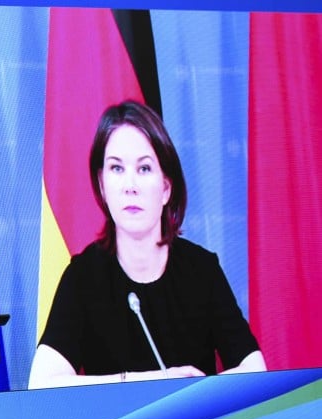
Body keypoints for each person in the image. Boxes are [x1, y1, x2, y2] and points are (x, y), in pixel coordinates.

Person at [29, 100, 265, 389]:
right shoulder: (84, 276)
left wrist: (195, 391)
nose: (130, 185)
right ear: (102, 186)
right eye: (116, 168)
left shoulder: (201, 269)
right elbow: (41, 383)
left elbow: (254, 367)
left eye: (143, 169)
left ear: (166, 188)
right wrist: (150, 381)